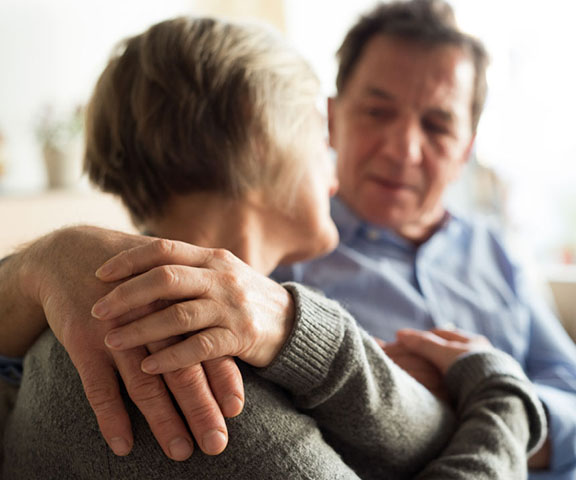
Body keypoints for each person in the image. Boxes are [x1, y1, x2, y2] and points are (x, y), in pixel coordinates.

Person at [0, 15, 546, 480]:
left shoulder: (98, 321)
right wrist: (502, 402)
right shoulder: (194, 383)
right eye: (317, 133)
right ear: (261, 140)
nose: (334, 167)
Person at [270, 1, 576, 479]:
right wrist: (498, 408)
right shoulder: (279, 253)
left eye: (437, 125)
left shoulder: (496, 251)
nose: (402, 150)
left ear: (466, 147)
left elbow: (572, 398)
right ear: (332, 118)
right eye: (377, 111)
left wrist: (465, 412)